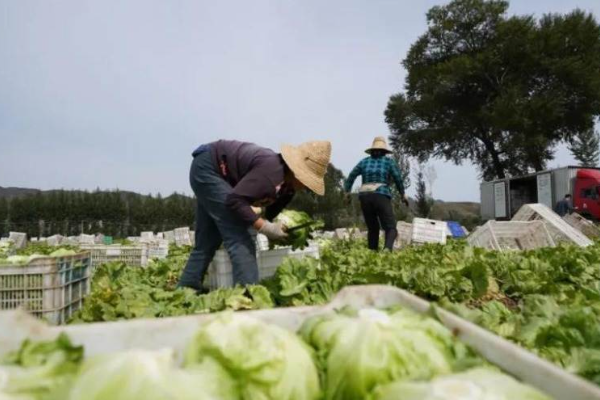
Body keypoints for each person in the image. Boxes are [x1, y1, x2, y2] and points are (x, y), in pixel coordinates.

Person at [178, 139, 331, 291]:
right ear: (296, 172)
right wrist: (264, 227)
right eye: (307, 181)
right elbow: (236, 200)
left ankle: (187, 286)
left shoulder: (288, 188)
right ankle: (246, 296)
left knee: (208, 237)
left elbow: (270, 213)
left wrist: (275, 229)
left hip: (211, 170)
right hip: (209, 168)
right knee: (240, 234)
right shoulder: (272, 171)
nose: (306, 187)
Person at [344, 137, 407, 251]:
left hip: (364, 196)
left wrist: (347, 192)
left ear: (372, 150)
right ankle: (387, 250)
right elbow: (397, 178)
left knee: (373, 228)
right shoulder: (388, 161)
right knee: (391, 228)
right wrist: (402, 194)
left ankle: (372, 254)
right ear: (384, 151)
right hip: (381, 194)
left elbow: (351, 176)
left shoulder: (364, 161)